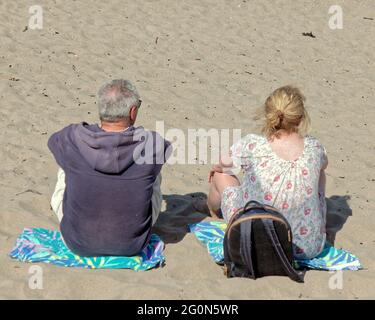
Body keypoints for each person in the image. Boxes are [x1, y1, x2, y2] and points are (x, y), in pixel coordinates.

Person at [48, 79, 170, 256]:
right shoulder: (153, 143)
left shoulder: (72, 136)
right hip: (132, 245)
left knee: (67, 159)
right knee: (153, 169)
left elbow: (52, 141)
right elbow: (165, 150)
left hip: (77, 243)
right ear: (133, 111)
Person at [207, 85, 328, 259]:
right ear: (300, 118)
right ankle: (315, 221)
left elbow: (221, 165)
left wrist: (215, 168)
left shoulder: (252, 145)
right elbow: (324, 165)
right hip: (308, 247)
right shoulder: (314, 147)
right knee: (320, 172)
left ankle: (212, 210)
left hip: (255, 242)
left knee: (221, 175)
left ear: (268, 115)